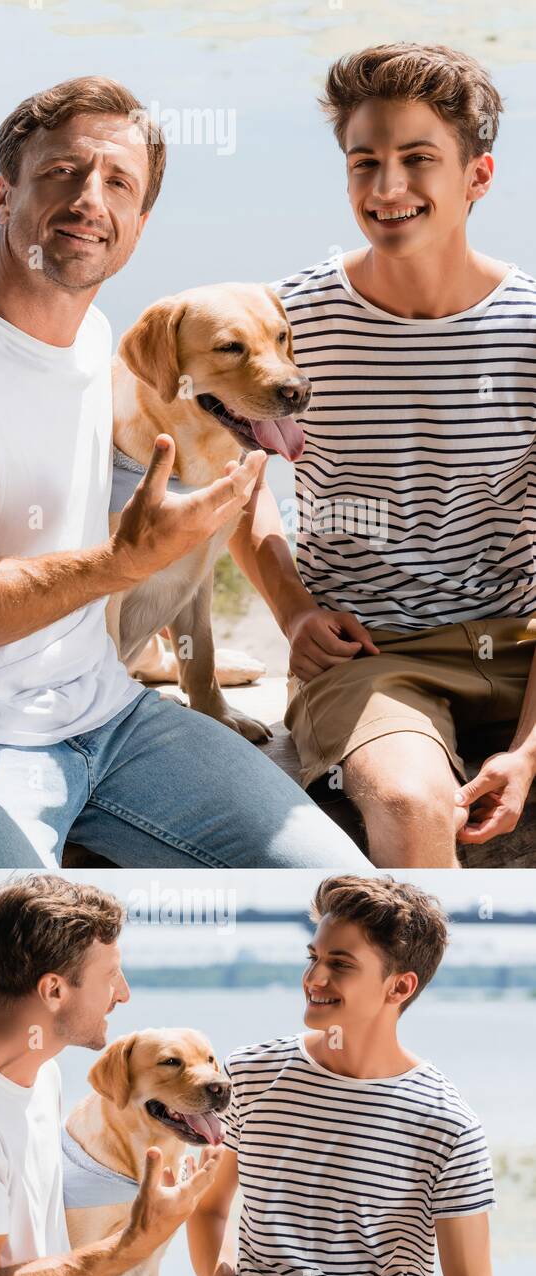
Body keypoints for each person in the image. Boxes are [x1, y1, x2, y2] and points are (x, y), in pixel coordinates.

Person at [0, 75, 372, 871]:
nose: (89, 199)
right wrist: (114, 564)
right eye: (61, 173)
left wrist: (278, 600)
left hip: (112, 713)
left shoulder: (99, 338)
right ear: (4, 192)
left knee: (344, 893)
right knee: (17, 955)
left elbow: (179, 501)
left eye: (118, 183)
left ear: (139, 225)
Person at [231, 43, 536, 867]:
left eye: (417, 160)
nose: (386, 187)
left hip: (520, 647)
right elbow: (235, 479)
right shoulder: (285, 320)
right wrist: (291, 607)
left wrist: (528, 748)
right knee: (405, 800)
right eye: (364, 162)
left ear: (477, 177)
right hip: (373, 660)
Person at [0, 873, 222, 1276]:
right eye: (111, 977)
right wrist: (135, 1240)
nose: (123, 994)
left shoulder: (38, 1069)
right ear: (53, 990)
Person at [188, 874, 495, 1276]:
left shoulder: (449, 1126)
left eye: (341, 964)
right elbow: (208, 1206)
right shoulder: (247, 1074)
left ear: (400, 986)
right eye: (313, 957)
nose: (314, 978)